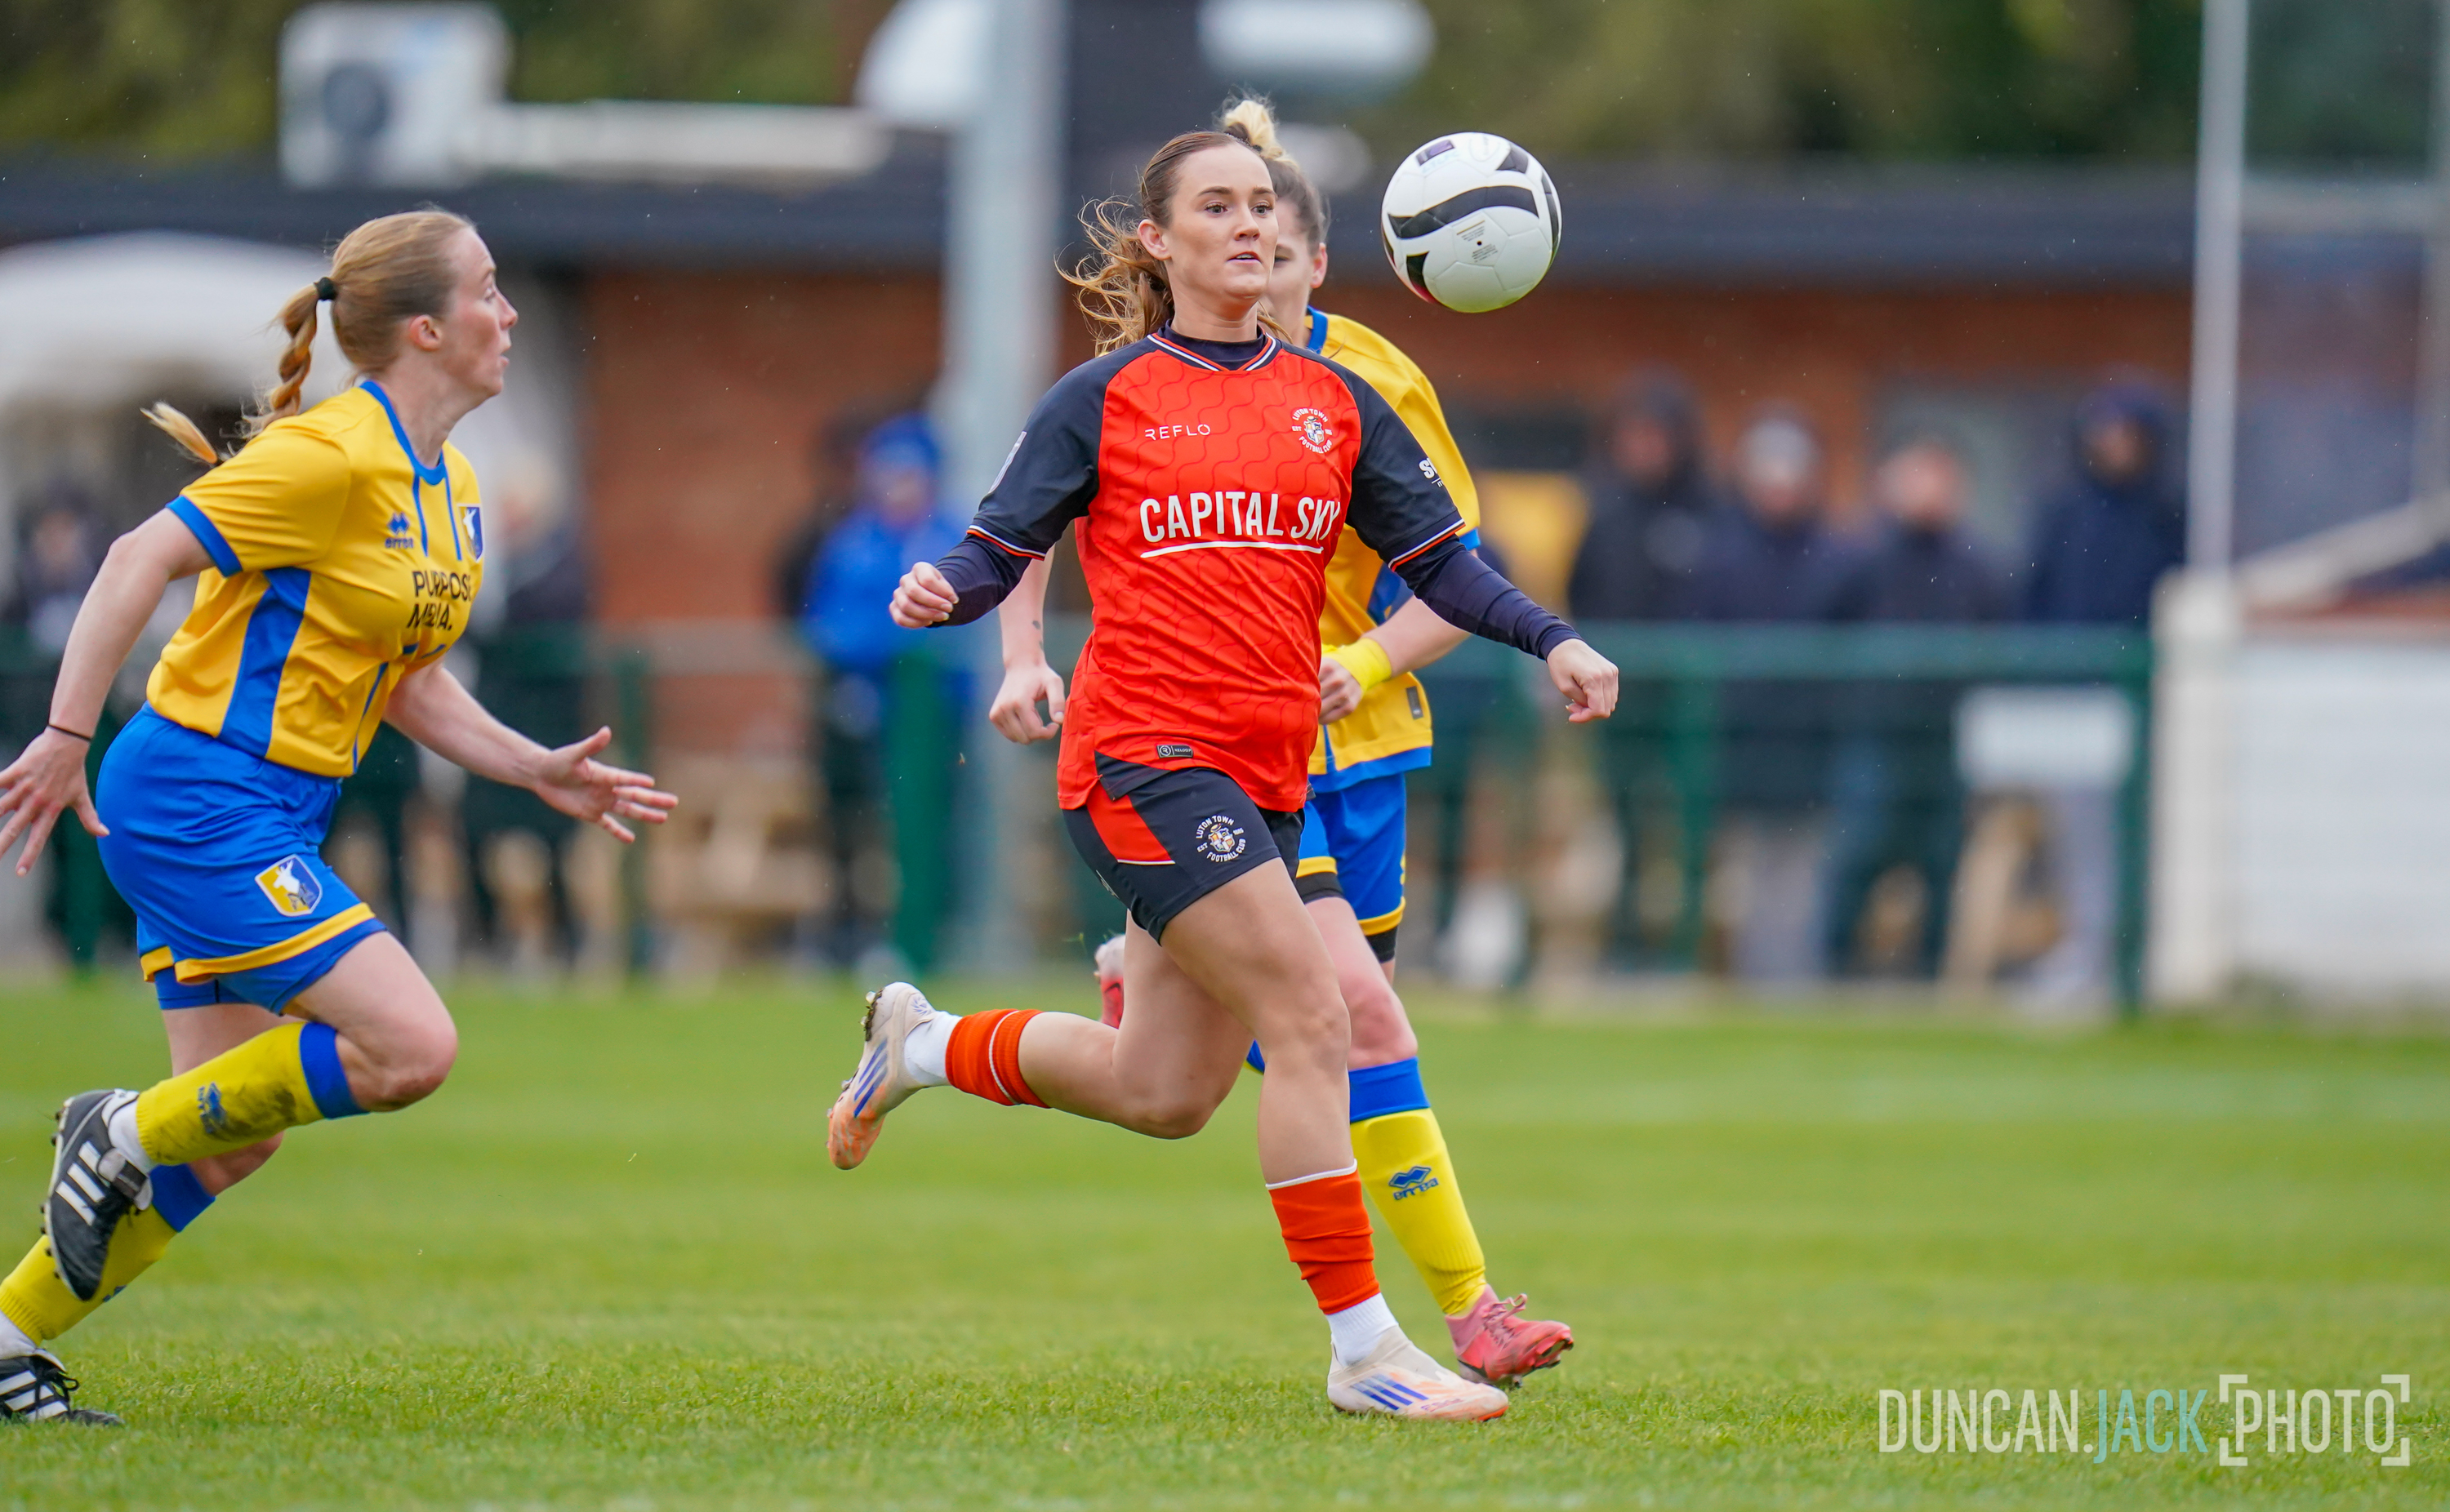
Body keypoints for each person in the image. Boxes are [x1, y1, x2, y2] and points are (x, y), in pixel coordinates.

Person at [822, 123, 1618, 1421]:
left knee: (1169, 1092)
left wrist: (1556, 638)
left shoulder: (1337, 400)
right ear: (1159, 241)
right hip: (1141, 765)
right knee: (1320, 1018)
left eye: (1263, 206)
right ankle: (1369, 1353)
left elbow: (1445, 565)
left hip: (1268, 775)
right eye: (1217, 207)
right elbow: (1000, 538)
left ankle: (921, 1048)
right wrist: (944, 593)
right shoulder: (1107, 397)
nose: (1248, 225)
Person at [0, 210, 675, 1425]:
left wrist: (534, 767)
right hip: (198, 795)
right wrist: (61, 736)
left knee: (226, 1140)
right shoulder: (330, 454)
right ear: (427, 328)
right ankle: (113, 1130)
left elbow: (405, 676)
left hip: (266, 810)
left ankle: (7, 1343)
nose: (510, 312)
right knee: (412, 1047)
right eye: (488, 290)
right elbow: (131, 560)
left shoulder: (450, 483)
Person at [2018, 380, 2184, 1003]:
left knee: (2149, 835)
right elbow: (2032, 601)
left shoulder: (2168, 512)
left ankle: (2145, 961)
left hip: (2152, 703)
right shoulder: (2064, 511)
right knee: (2080, 837)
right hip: (2071, 698)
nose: (2114, 447)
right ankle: (2089, 956)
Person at [1820, 436, 2008, 976]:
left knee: (1941, 859)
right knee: (1861, 850)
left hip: (1947, 736)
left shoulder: (1976, 563)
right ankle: (1835, 970)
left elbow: (1997, 636)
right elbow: (1825, 628)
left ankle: (1928, 975)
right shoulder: (1861, 557)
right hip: (1876, 730)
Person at [1687, 409, 1860, 983]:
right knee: (1748, 868)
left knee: (1805, 867)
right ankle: (1753, 977)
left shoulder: (1838, 559)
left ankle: (1795, 979)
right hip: (1741, 740)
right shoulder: (1722, 556)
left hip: (1814, 741)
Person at [797, 414, 970, 970]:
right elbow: (831, 626)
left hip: (933, 719)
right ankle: (848, 935)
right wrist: (879, 655)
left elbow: (959, 624)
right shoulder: (853, 543)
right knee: (850, 828)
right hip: (860, 713)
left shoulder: (948, 538)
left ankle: (932, 936)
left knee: (931, 833)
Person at [1566, 372, 1717, 968]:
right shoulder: (1604, 511)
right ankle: (1627, 940)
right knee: (1624, 819)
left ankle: (1687, 946)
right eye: (1634, 436)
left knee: (1690, 825)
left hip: (1690, 703)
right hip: (1620, 698)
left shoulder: (1708, 511)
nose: (1644, 449)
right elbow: (1581, 590)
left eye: (1656, 436)